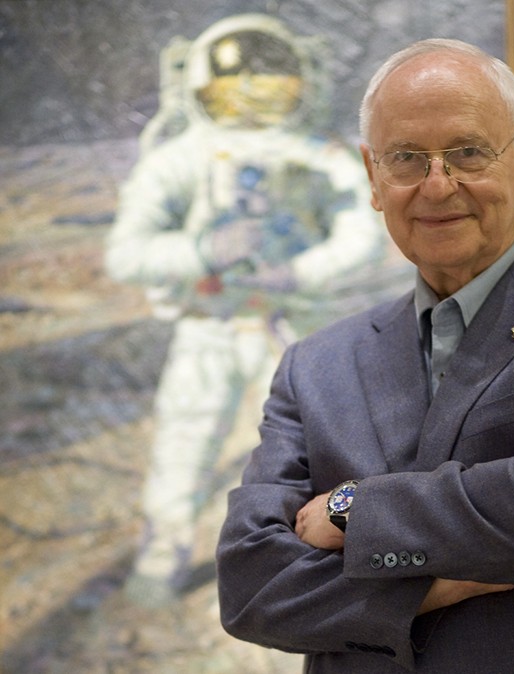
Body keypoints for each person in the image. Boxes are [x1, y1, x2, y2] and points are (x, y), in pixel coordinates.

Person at [216, 38, 514, 673]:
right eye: (406, 159)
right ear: (373, 179)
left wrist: (348, 507)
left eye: (468, 152)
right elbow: (250, 587)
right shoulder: (317, 365)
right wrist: (464, 575)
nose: (437, 186)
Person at [105, 14, 384, 607]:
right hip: (210, 328)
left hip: (290, 329)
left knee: (318, 448)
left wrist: (297, 272)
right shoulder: (181, 159)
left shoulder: (319, 156)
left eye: (269, 87)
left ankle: (316, 560)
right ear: (201, 88)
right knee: (185, 443)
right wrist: (203, 250)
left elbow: (365, 233)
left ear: (297, 83)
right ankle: (162, 556)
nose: (254, 103)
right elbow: (126, 253)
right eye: (237, 90)